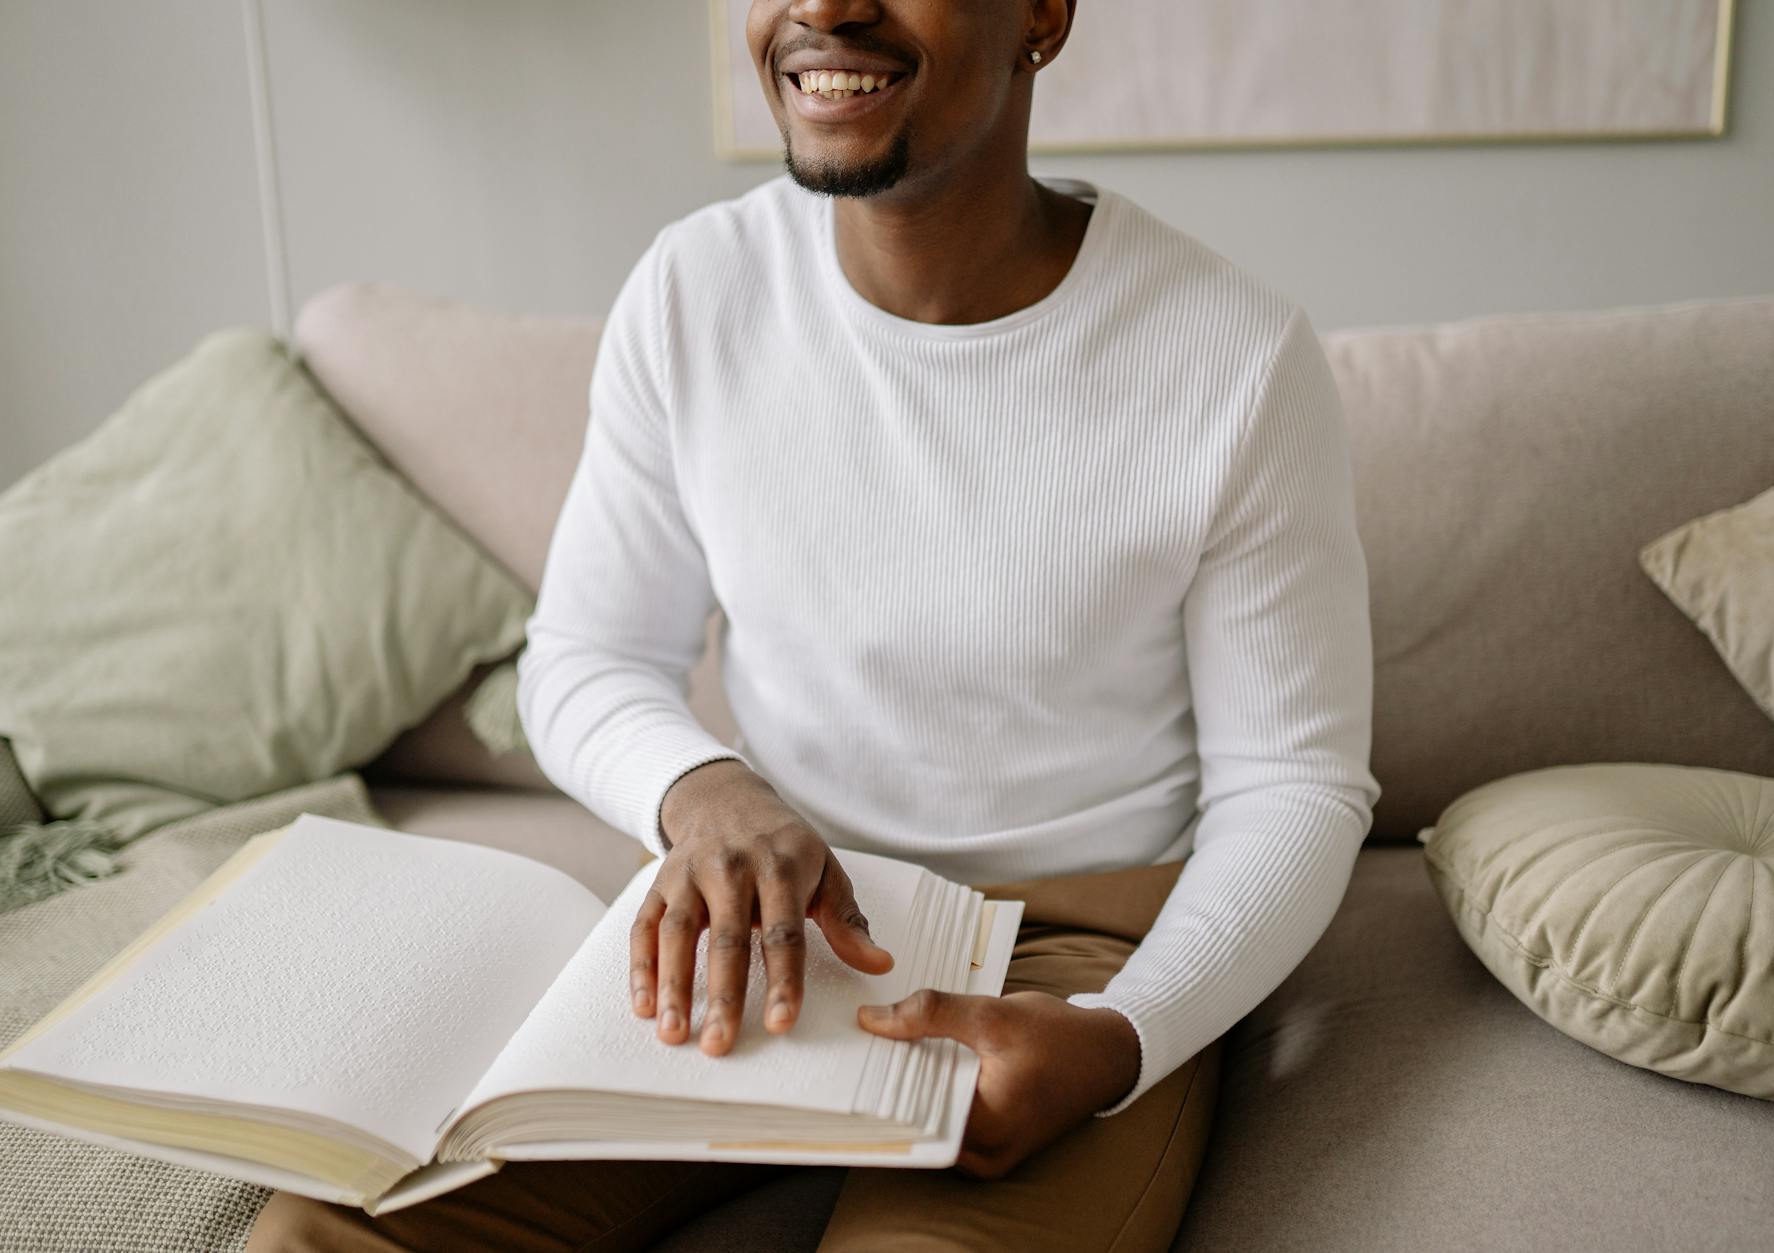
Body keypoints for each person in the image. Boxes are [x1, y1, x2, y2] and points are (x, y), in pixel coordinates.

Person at [247, 0, 1379, 1248]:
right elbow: (585, 656)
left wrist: (1123, 1036)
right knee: (325, 1230)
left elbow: (1294, 784)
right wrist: (701, 791)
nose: (826, 7)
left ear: (1041, 17)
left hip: (1068, 955)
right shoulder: (696, 289)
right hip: (768, 919)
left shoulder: (1233, 356)